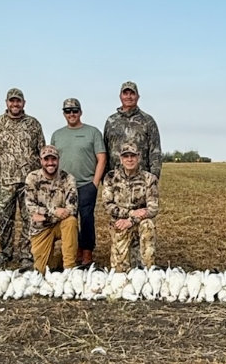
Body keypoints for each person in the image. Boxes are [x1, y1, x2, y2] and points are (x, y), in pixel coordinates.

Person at [0, 87, 45, 269]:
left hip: (29, 182)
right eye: (12, 101)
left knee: (30, 218)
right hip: (4, 181)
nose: (15, 104)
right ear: (7, 103)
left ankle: (26, 254)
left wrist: (42, 178)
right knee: (4, 218)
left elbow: (42, 151)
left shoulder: (33, 124)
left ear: (24, 103)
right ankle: (5, 252)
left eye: (18, 101)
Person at [50, 97, 107, 265]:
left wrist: (95, 183)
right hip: (65, 188)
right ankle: (74, 251)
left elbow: (102, 158)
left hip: (86, 184)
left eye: (75, 111)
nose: (71, 114)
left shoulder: (92, 132)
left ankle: (87, 252)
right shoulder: (57, 135)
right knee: (69, 220)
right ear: (64, 114)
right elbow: (52, 160)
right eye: (68, 111)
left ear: (80, 112)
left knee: (87, 219)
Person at [102, 143, 159, 272]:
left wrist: (131, 220)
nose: (129, 159)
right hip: (119, 223)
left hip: (140, 222)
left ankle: (148, 270)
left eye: (132, 156)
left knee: (148, 224)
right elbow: (107, 205)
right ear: (121, 159)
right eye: (126, 156)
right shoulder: (110, 177)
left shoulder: (149, 179)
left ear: (138, 157)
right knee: (119, 271)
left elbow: (153, 208)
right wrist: (131, 213)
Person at [24, 145, 79, 274]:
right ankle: (56, 261)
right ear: (41, 161)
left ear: (58, 160)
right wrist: (54, 212)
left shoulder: (68, 179)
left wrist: (43, 214)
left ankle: (70, 268)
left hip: (60, 224)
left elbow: (72, 208)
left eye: (53, 159)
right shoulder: (32, 178)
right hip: (41, 228)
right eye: (46, 159)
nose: (50, 163)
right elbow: (30, 207)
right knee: (41, 270)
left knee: (71, 221)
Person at [103, 80, 162, 179]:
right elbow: (105, 151)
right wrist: (106, 178)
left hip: (142, 181)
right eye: (125, 93)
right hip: (116, 180)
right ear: (120, 96)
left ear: (138, 97)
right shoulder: (111, 121)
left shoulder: (148, 121)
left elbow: (155, 152)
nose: (128, 97)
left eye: (132, 93)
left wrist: (154, 178)